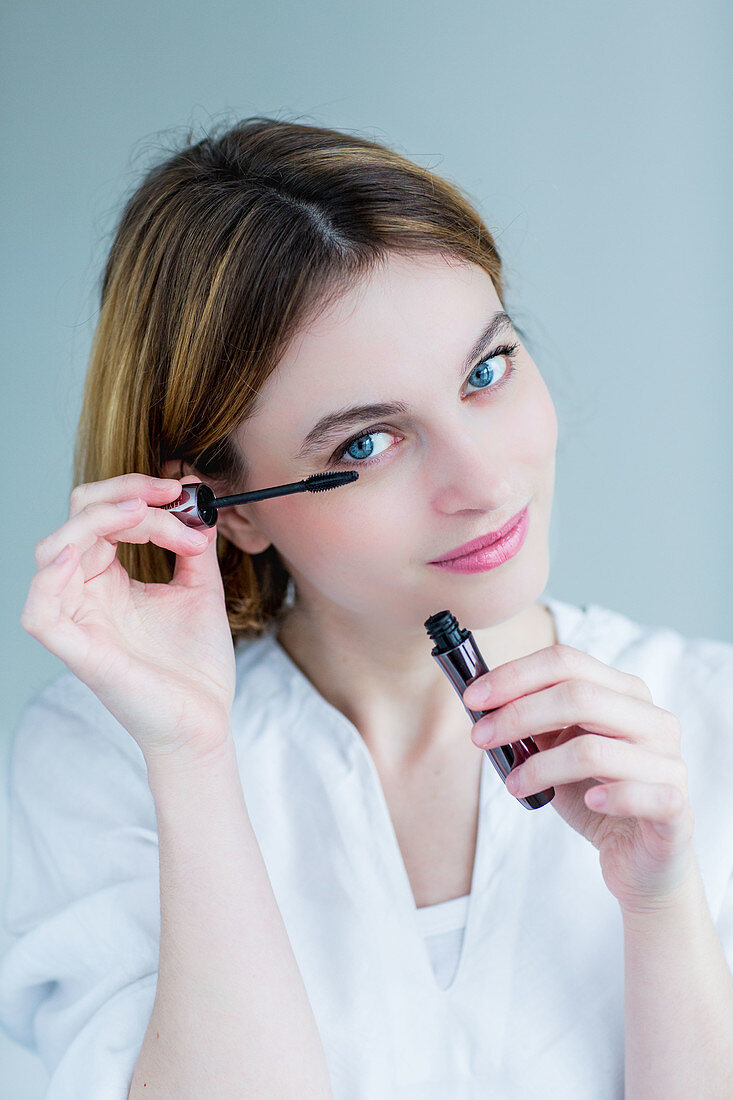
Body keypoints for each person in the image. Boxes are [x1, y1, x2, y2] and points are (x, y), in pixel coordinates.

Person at [1, 116, 732, 1099]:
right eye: (364, 445)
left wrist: (661, 898)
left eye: (485, 371)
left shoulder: (711, 711)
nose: (480, 481)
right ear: (222, 508)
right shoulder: (107, 764)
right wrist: (192, 754)